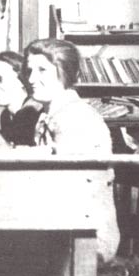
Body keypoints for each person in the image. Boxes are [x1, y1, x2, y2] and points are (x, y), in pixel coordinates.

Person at [24, 38, 120, 262]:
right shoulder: (50, 113)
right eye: (29, 70)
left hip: (87, 237)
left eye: (42, 70)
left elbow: (68, 188)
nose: (31, 79)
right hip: (65, 224)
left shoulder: (78, 117)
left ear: (65, 72)